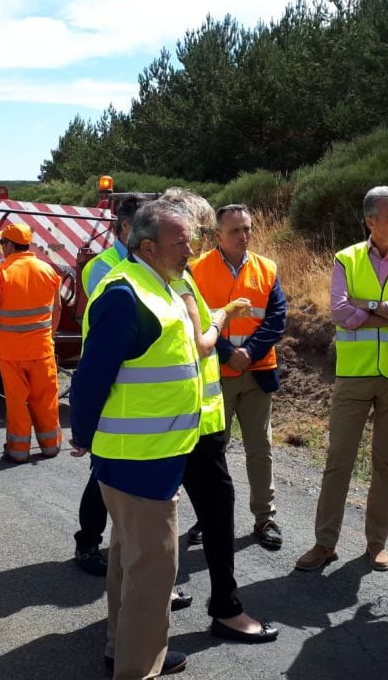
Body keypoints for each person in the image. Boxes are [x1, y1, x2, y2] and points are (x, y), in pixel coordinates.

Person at [70, 200, 201, 678]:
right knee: (154, 572)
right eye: (181, 240)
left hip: (153, 455)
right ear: (148, 246)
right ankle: (138, 667)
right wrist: (82, 434)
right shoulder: (126, 294)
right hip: (137, 459)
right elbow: (90, 375)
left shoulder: (158, 286)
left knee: (129, 559)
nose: (191, 248)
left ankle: (119, 648)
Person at [160, 189, 279, 645]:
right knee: (161, 518)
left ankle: (198, 606)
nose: (193, 246)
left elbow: (276, 316)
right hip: (177, 424)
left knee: (208, 505)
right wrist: (220, 326)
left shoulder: (168, 278)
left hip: (195, 420)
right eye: (187, 237)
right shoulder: (168, 280)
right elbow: (200, 340)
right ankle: (141, 631)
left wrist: (243, 345)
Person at [296, 187, 388, 573]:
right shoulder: (347, 258)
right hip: (354, 376)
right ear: (370, 221)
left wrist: (367, 307)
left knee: (386, 464)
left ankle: (376, 545)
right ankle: (325, 544)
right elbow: (338, 312)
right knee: (339, 460)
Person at [190, 204, 287, 550]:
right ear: (218, 235)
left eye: (247, 228)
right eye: (235, 231)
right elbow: (197, 322)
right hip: (218, 375)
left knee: (260, 449)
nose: (244, 236)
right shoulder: (197, 270)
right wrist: (231, 353)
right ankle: (209, 516)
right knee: (212, 450)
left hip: (257, 373)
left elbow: (277, 318)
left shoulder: (267, 268)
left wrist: (250, 353)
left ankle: (265, 518)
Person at [74, 195, 152, 575]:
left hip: (141, 390)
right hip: (113, 384)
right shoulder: (103, 268)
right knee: (103, 472)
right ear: (124, 228)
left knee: (128, 481)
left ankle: (130, 555)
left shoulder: (151, 264)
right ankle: (88, 542)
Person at [0, 222, 64, 463]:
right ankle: (50, 446)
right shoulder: (48, 270)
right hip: (42, 349)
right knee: (46, 399)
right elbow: (56, 308)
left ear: (9, 245)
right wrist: (49, 336)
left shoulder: (0, 272)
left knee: (18, 403)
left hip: (12, 352)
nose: (1, 247)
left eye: (1, 243)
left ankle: (18, 451)